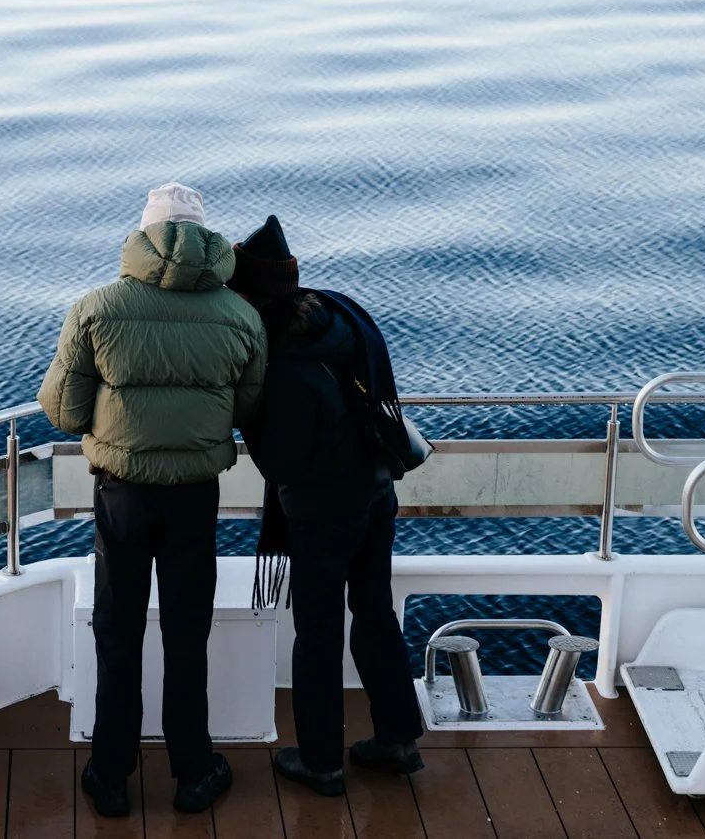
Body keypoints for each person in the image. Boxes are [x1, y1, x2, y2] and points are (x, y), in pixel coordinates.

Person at [38, 183, 267, 817]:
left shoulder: (97, 307)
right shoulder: (241, 315)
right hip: (195, 495)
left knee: (118, 630)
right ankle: (194, 772)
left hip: (122, 496)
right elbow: (245, 407)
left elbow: (62, 410)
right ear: (209, 242)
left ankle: (110, 776)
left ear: (142, 238)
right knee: (188, 633)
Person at [229, 215, 425, 797]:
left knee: (316, 633)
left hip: (322, 511)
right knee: (374, 612)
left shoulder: (283, 359)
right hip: (376, 489)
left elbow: (285, 464)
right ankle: (395, 738)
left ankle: (320, 760)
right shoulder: (343, 311)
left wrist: (248, 424)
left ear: (250, 293)